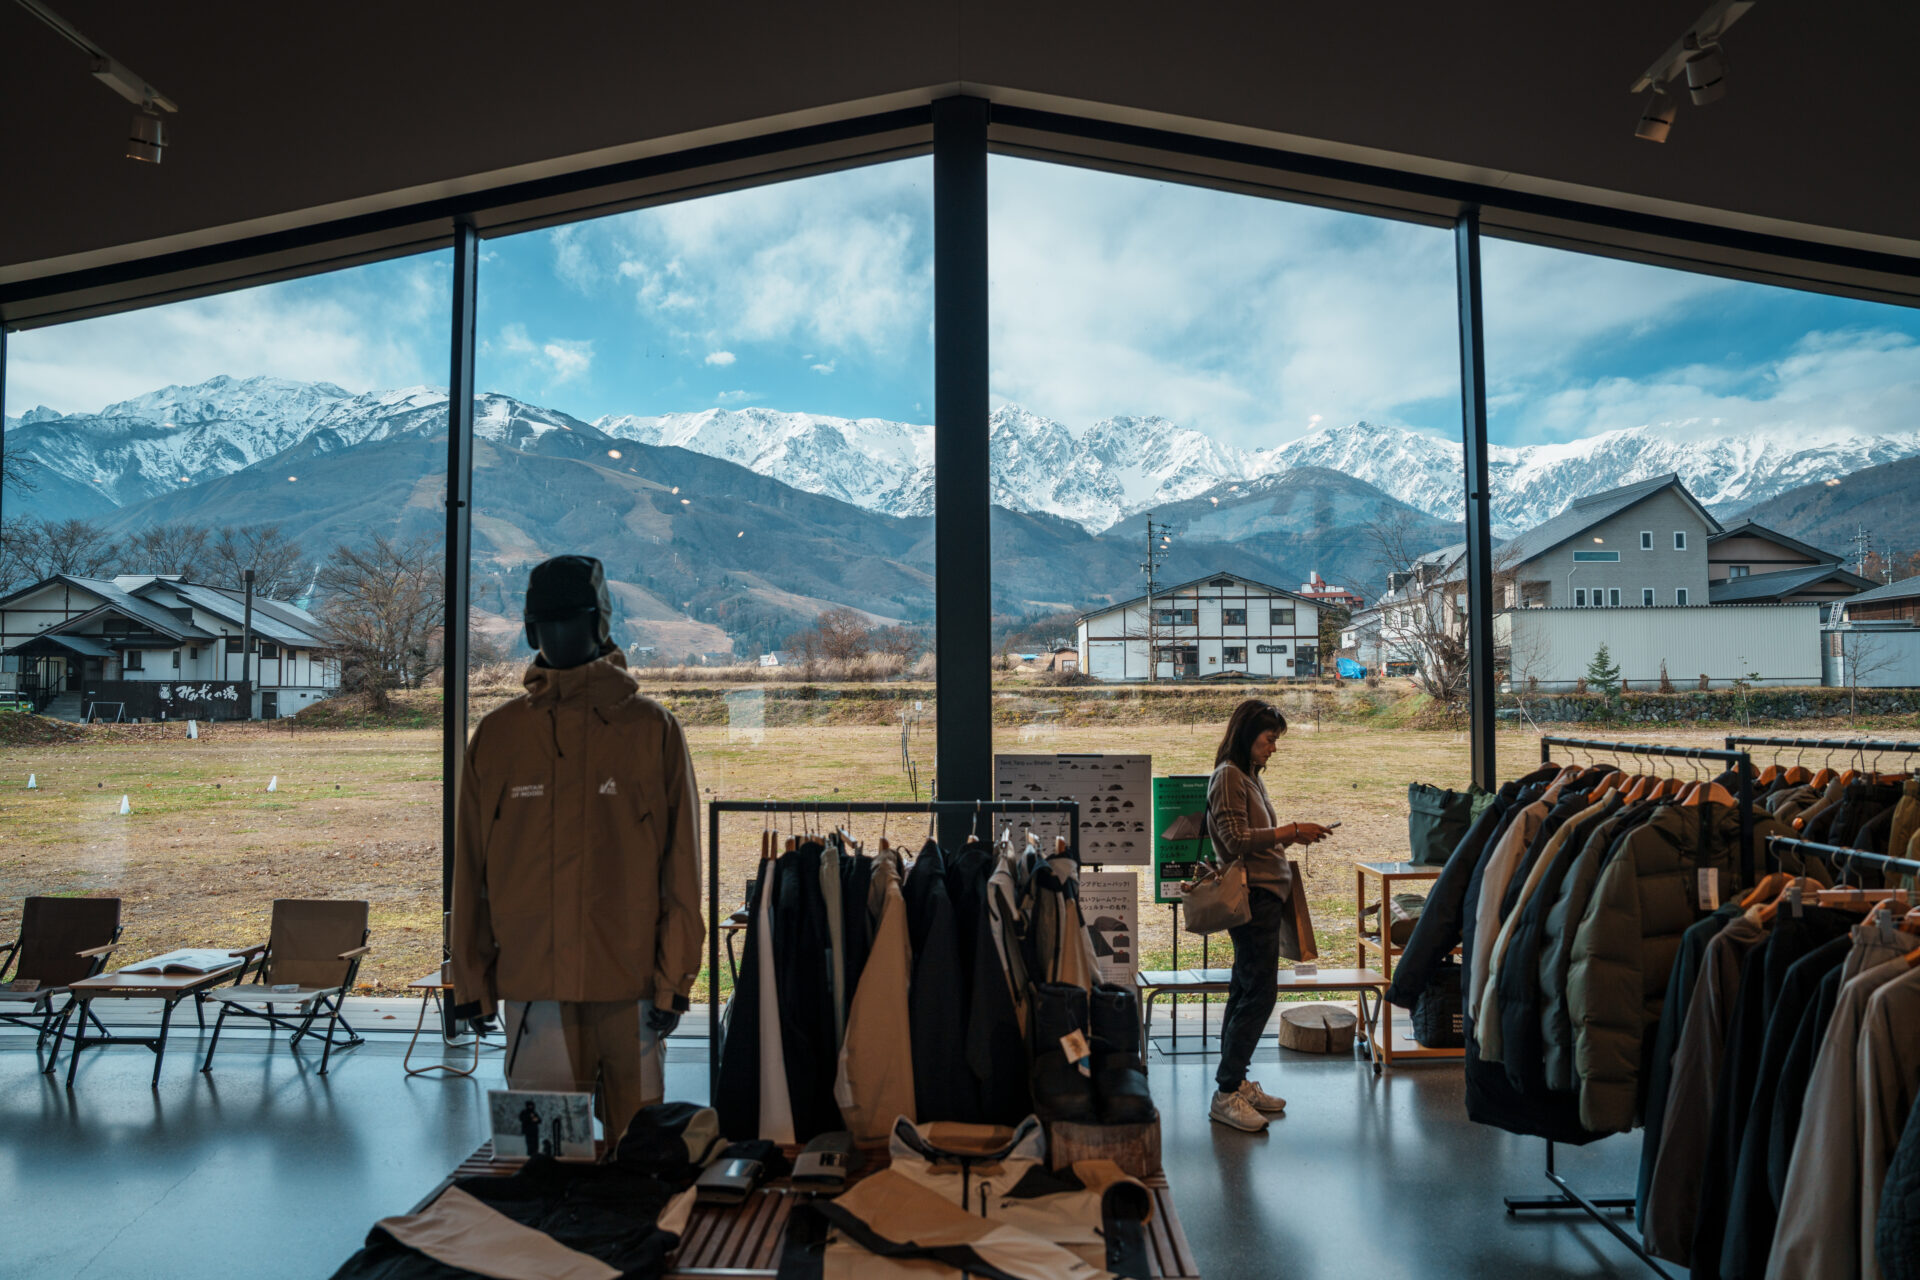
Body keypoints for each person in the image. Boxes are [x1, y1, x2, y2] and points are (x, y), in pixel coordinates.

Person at [1204, 698, 1330, 1133]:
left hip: (1265, 896)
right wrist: (1290, 830)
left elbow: (1251, 837)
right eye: (1269, 739)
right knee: (1259, 994)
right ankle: (1226, 1093)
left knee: (1245, 990)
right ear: (1247, 736)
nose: (1273, 748)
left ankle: (1235, 1083)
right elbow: (1235, 839)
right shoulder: (1228, 776)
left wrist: (1292, 837)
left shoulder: (1247, 777)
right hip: (1253, 899)